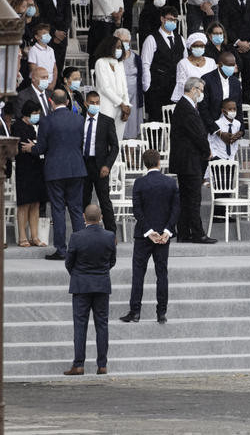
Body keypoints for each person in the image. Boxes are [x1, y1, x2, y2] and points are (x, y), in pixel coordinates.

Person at [21, 89, 87, 261]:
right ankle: (79, 249)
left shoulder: (46, 121)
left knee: (58, 210)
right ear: (67, 102)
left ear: (51, 102)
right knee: (76, 209)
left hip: (55, 170)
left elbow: (41, 148)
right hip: (76, 168)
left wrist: (31, 148)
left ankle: (61, 250)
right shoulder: (79, 119)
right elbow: (81, 143)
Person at [120, 150, 180, 324]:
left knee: (138, 274)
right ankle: (161, 313)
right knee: (162, 274)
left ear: (144, 163)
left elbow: (137, 210)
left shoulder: (139, 183)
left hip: (143, 236)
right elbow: (176, 209)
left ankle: (135, 312)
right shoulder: (170, 183)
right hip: (163, 236)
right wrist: (167, 231)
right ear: (159, 162)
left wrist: (148, 231)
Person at [63, 204, 116, 376]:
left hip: (81, 284)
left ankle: (78, 364)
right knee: (102, 325)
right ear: (100, 217)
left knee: (80, 326)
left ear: (84, 217)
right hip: (101, 284)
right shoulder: (109, 236)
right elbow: (112, 261)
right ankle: (102, 365)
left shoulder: (77, 237)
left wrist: (78, 274)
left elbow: (69, 262)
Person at [169, 77, 217, 244]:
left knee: (186, 198)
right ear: (193, 89)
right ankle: (197, 233)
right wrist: (207, 150)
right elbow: (197, 134)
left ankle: (184, 232)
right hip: (189, 160)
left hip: (187, 160)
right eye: (201, 90)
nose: (202, 93)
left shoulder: (186, 106)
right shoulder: (186, 107)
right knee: (193, 198)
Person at [82, 90, 119, 235]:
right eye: (92, 103)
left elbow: (115, 146)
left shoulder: (107, 121)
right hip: (83, 164)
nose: (95, 105)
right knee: (83, 200)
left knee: (104, 201)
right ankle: (83, 233)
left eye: (97, 103)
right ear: (86, 103)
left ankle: (111, 234)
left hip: (101, 166)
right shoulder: (79, 119)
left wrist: (107, 165)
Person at [12, 101, 48, 248]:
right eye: (34, 113)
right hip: (25, 169)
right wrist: (35, 147)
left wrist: (35, 147)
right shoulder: (18, 127)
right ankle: (22, 236)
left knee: (36, 203)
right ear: (27, 113)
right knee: (24, 204)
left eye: (38, 113)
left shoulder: (37, 126)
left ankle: (34, 236)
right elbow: (23, 147)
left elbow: (38, 146)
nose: (37, 116)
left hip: (38, 169)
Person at [141, 6, 186, 121]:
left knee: (175, 120)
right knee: (157, 119)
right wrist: (147, 87)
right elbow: (145, 64)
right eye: (170, 19)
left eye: (175, 20)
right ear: (162, 19)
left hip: (176, 86)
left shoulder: (180, 38)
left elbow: (185, 62)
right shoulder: (151, 39)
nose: (173, 22)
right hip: (157, 88)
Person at [30, 0, 71, 74]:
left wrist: (62, 32)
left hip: (62, 36)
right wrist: (54, 32)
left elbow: (68, 15)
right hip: (46, 35)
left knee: (58, 67)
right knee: (45, 69)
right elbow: (39, 16)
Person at [93, 36, 130, 142]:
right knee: (106, 139)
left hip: (121, 107)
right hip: (106, 105)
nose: (119, 50)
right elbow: (105, 88)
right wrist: (121, 103)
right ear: (109, 47)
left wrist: (127, 104)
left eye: (120, 47)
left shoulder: (119, 64)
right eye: (117, 47)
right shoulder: (100, 62)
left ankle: (116, 159)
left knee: (118, 140)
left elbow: (124, 86)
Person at [198, 51, 242, 134]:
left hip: (231, 128)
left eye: (234, 64)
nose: (234, 67)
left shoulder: (235, 82)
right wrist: (217, 131)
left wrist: (240, 130)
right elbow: (203, 108)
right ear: (221, 65)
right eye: (230, 65)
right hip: (211, 128)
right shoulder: (207, 79)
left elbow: (238, 106)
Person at [114, 28, 144, 138]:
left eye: (126, 41)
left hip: (134, 97)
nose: (124, 43)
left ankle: (130, 154)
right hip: (117, 98)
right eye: (121, 41)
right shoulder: (112, 57)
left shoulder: (136, 58)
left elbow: (141, 78)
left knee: (132, 128)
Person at [172, 33, 217, 103]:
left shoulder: (211, 62)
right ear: (190, 47)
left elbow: (215, 82)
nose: (199, 48)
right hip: (191, 100)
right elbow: (182, 85)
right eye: (196, 46)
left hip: (209, 100)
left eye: (202, 46)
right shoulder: (183, 63)